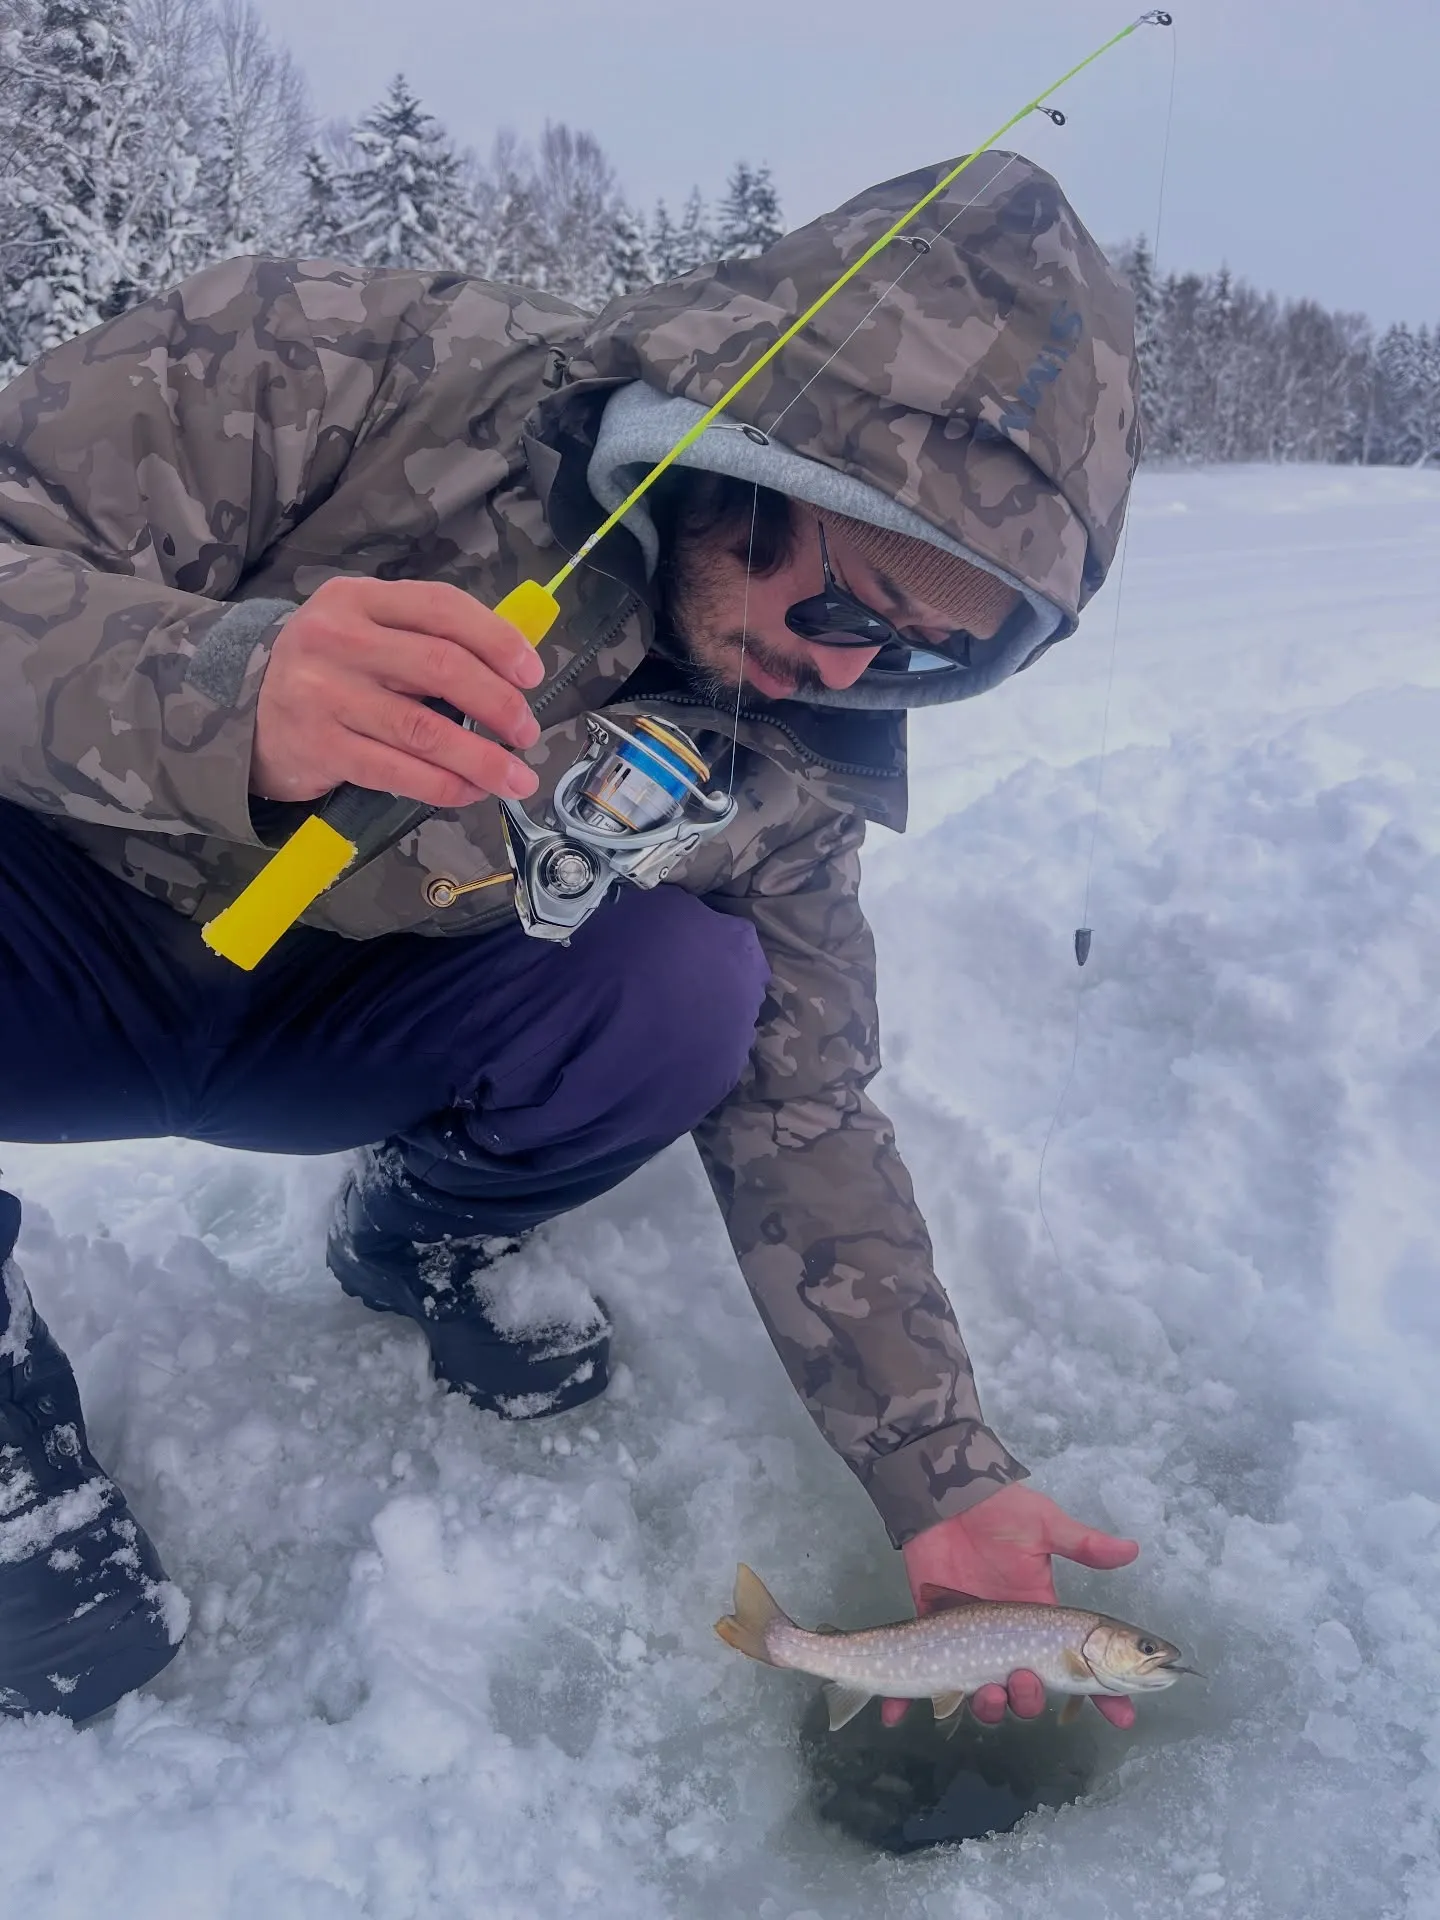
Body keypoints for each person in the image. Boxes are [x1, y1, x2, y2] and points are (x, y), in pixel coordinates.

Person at [0, 150, 1145, 1728]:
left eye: (925, 661)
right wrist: (213, 687)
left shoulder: (792, 747)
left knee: (698, 992)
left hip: (332, 1027)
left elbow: (805, 1101)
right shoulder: (329, 350)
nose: (848, 676)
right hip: (48, 928)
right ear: (762, 456)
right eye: (848, 607)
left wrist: (937, 1471)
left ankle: (429, 1233)